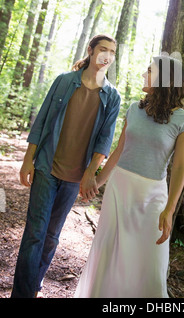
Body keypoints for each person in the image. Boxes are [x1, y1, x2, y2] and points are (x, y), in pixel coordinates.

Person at [74, 55, 184, 298]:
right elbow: (119, 150)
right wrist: (97, 182)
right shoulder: (134, 110)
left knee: (150, 260)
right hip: (120, 189)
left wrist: (170, 209)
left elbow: (180, 167)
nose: (143, 74)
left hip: (153, 197)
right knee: (109, 251)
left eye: (149, 71)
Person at [11, 34, 121, 298]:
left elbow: (105, 141)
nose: (107, 55)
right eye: (103, 49)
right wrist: (29, 159)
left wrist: (90, 173)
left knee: (51, 236)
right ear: (91, 51)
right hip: (47, 167)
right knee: (35, 234)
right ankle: (22, 294)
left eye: (112, 52)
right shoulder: (63, 82)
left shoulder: (112, 97)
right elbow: (43, 121)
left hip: (74, 178)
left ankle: (33, 285)